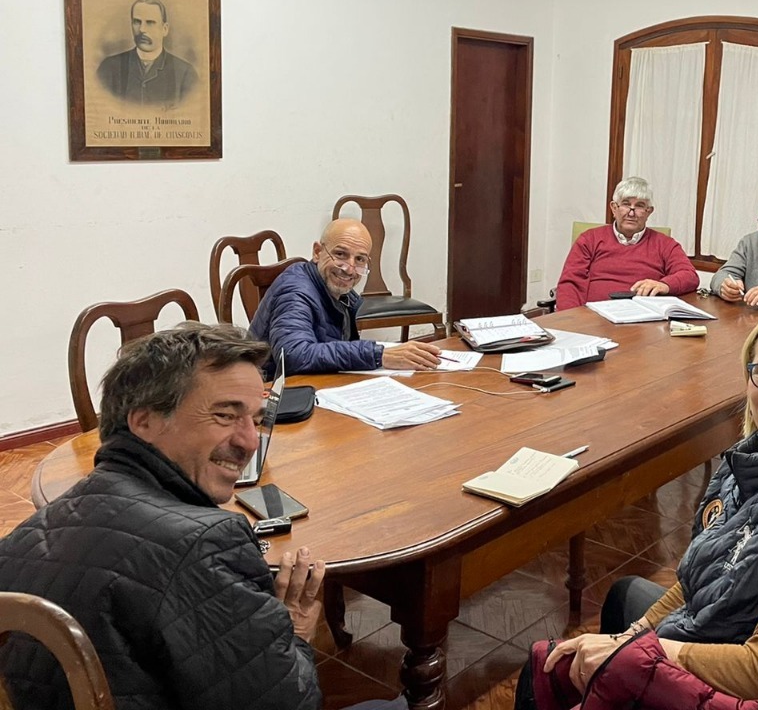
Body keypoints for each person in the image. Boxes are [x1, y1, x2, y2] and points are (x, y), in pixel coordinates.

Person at [520, 304, 758, 710]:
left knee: (544, 669)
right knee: (617, 603)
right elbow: (707, 575)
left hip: (741, 685)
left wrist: (634, 652)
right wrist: (634, 635)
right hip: (710, 633)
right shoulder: (744, 464)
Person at [0, 323, 324, 710]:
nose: (250, 442)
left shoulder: (17, 542)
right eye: (224, 415)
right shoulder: (204, 545)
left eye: (255, 420)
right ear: (144, 421)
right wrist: (296, 632)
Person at [250, 218, 441, 377]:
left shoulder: (338, 290)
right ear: (317, 252)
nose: (349, 268)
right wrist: (378, 355)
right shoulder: (295, 292)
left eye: (360, 259)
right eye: (340, 254)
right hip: (274, 399)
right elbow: (293, 355)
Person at [554, 177, 698, 310]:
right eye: (626, 204)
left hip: (643, 319)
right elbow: (570, 284)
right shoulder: (589, 239)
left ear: (649, 212)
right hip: (594, 316)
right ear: (614, 208)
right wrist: (570, 321)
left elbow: (690, 276)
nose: (631, 213)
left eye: (640, 206)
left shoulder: (665, 244)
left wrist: (665, 284)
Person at [96, 0, 198, 106]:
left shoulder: (185, 74)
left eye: (150, 22)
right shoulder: (108, 68)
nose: (142, 29)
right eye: (137, 22)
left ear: (165, 29)